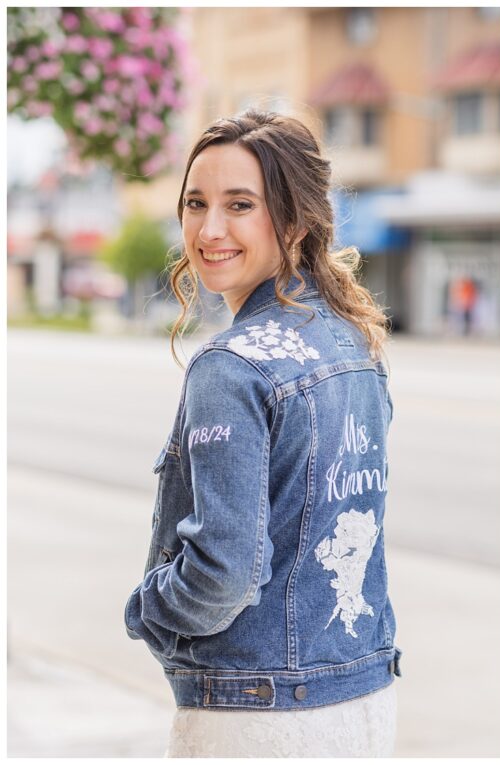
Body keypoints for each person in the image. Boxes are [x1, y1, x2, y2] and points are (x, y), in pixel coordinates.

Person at [124, 111, 400, 757]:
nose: (209, 229)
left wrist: (145, 610)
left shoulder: (231, 366)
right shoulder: (356, 340)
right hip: (363, 698)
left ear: (295, 221)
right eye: (196, 203)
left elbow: (223, 575)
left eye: (239, 205)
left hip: (255, 718)